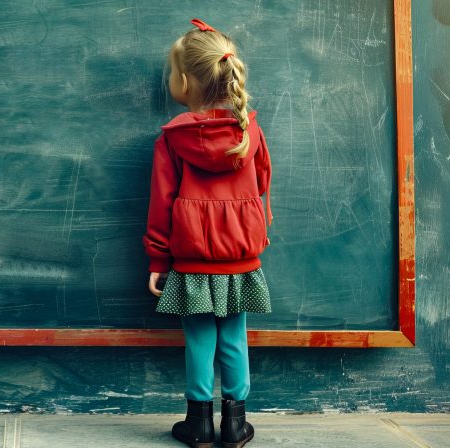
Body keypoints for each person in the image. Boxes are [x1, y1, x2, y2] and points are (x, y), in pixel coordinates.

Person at [144, 18, 273, 448]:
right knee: (234, 337)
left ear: (183, 81)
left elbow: (161, 206)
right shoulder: (250, 133)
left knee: (198, 339)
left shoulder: (172, 140)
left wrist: (158, 260)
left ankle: (198, 423)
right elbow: (261, 190)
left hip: (192, 261)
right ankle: (236, 424)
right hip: (239, 259)